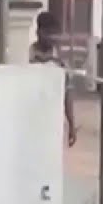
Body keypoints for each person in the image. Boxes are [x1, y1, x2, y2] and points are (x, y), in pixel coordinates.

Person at [29, 11, 78, 147]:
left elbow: (67, 94)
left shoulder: (61, 62)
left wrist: (72, 125)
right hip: (30, 121)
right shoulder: (26, 57)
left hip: (52, 123)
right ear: (39, 32)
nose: (52, 38)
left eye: (55, 34)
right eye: (48, 33)